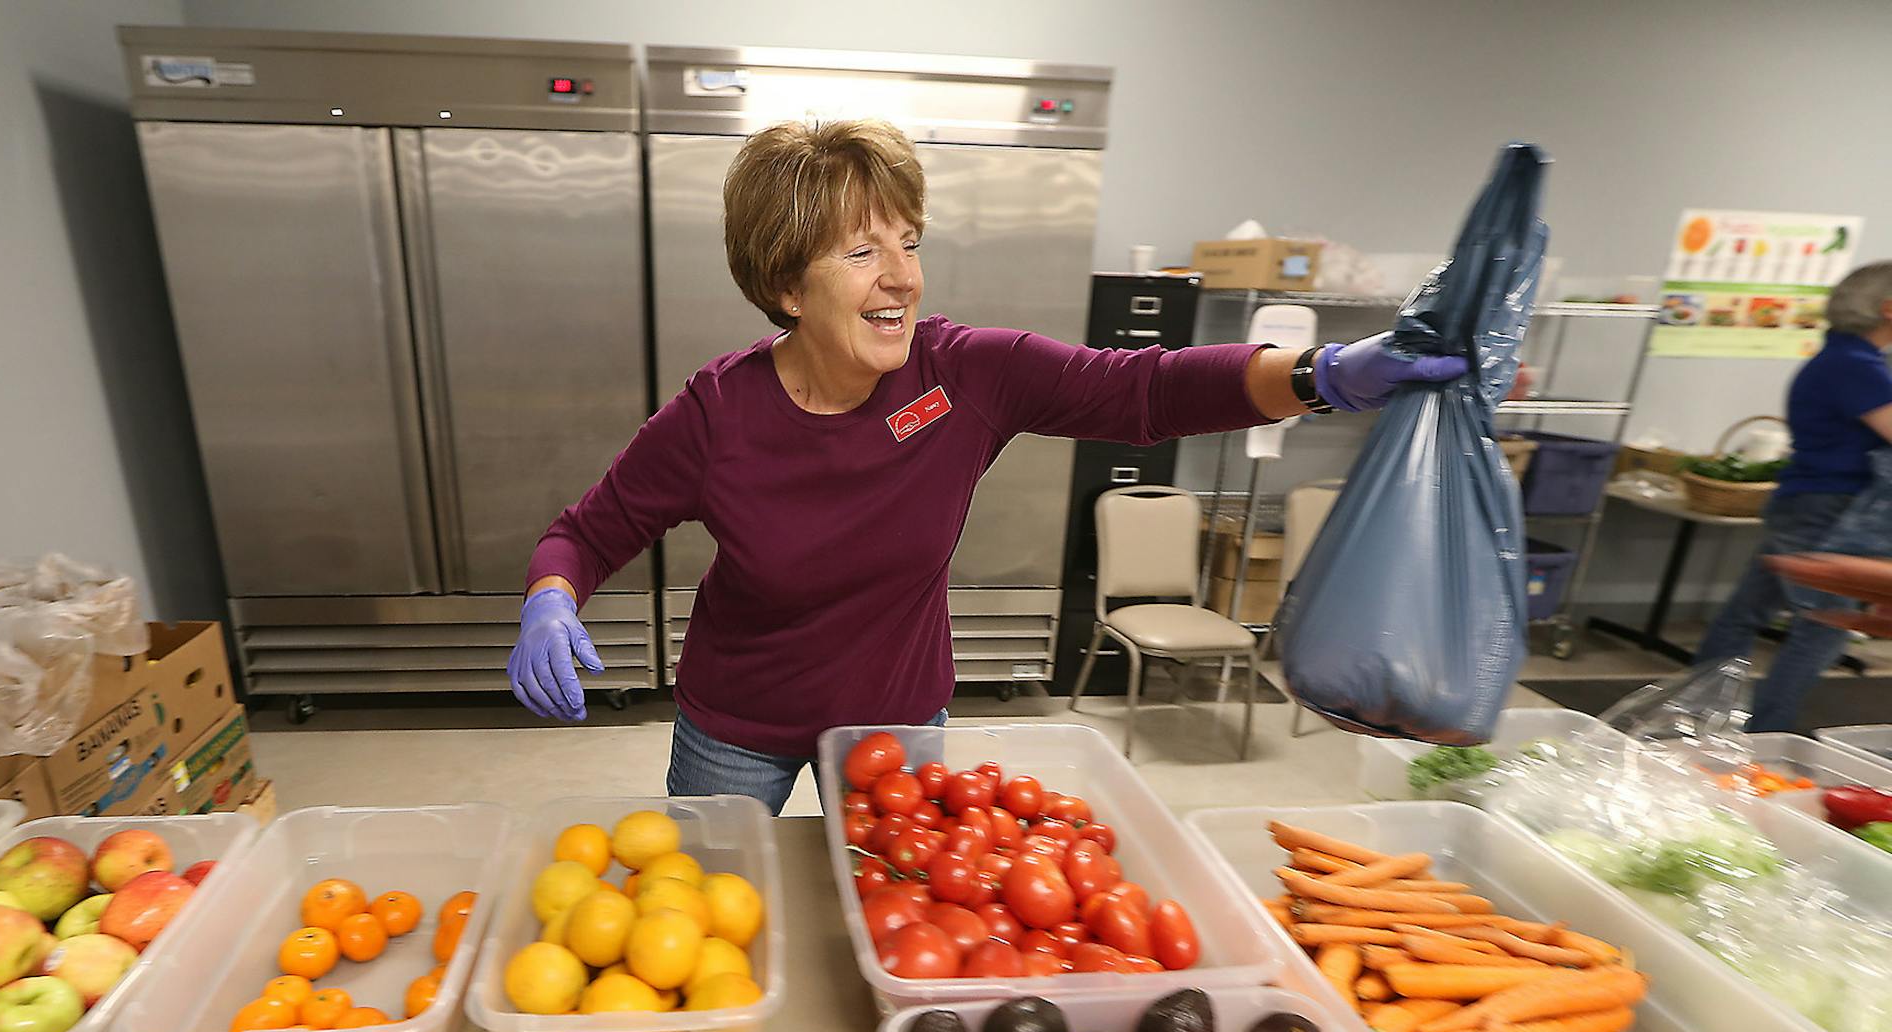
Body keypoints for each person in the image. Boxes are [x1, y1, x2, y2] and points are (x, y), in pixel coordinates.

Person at [507, 120, 1464, 812]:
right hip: (735, 728)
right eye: (861, 250)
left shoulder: (963, 374)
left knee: (896, 938)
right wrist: (552, 594)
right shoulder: (716, 414)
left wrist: (1321, 373)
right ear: (785, 285)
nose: (903, 276)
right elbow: (589, 532)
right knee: (717, 929)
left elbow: (1143, 389)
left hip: (897, 723)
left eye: (908, 242)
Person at [1696, 261, 1892, 731]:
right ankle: (1766, 731)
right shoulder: (1856, 366)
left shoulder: (1841, 360)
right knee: (1824, 625)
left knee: (1746, 613)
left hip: (1805, 502)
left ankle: (1698, 715)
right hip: (1828, 509)